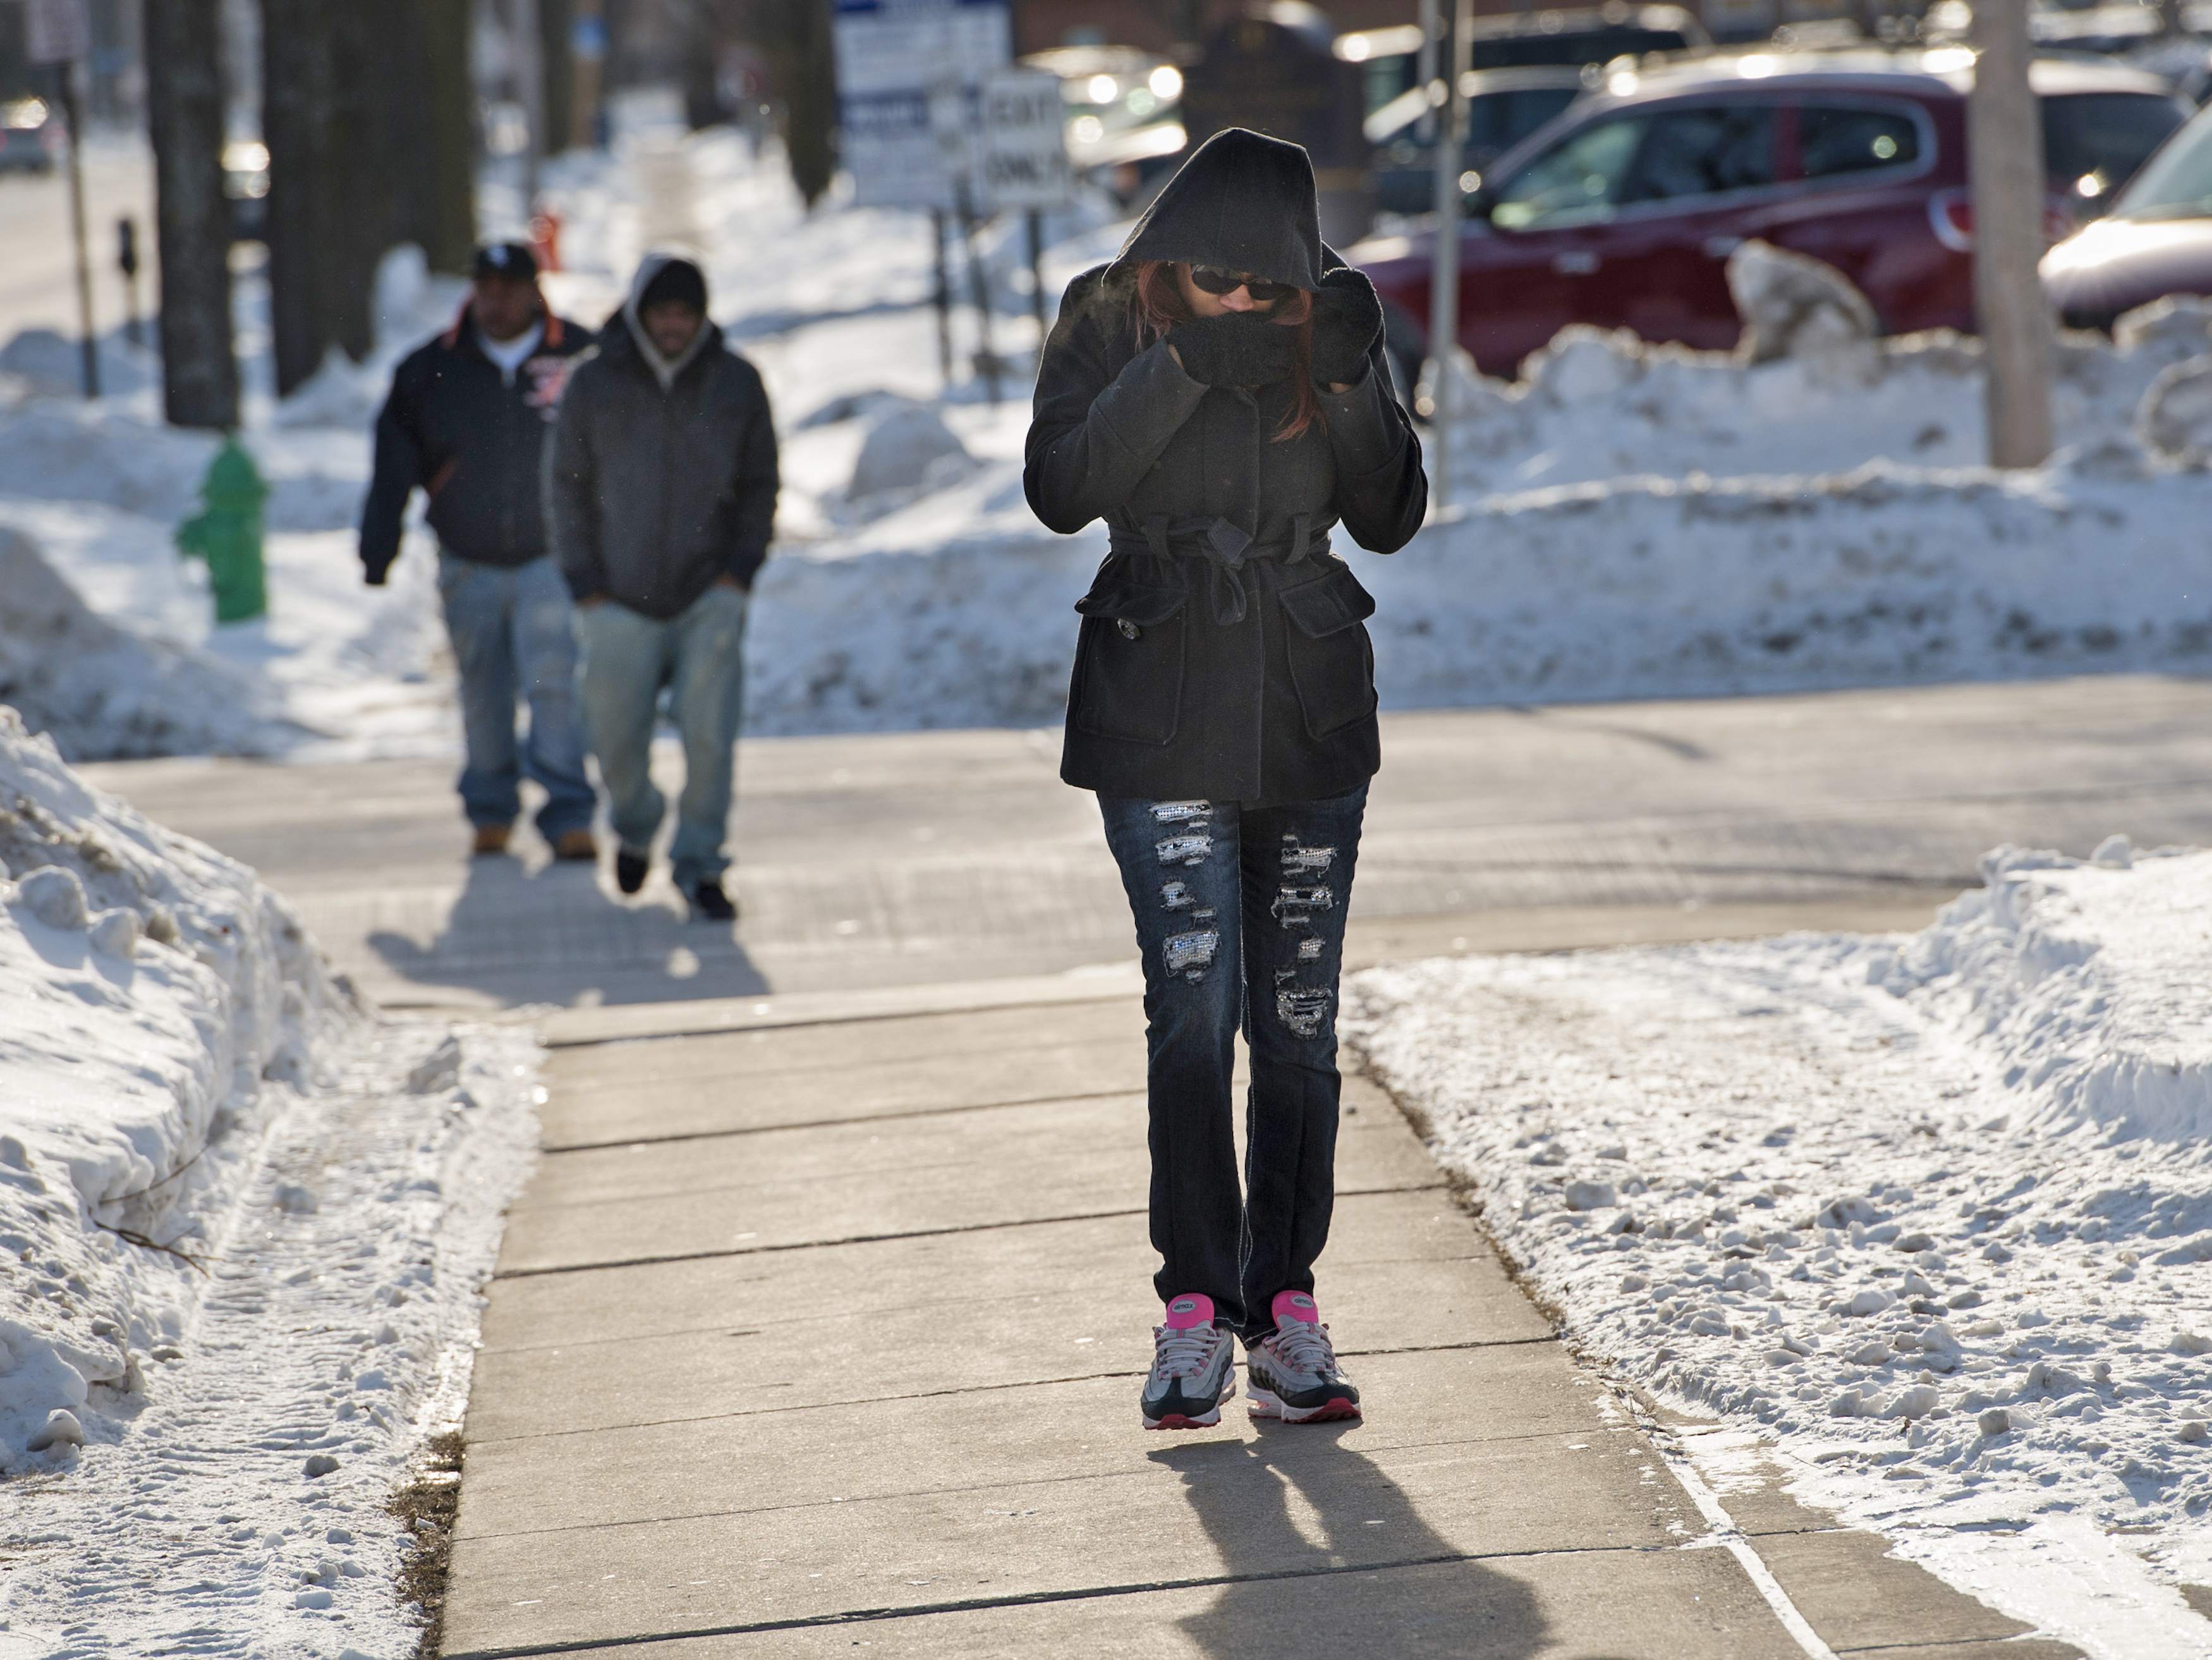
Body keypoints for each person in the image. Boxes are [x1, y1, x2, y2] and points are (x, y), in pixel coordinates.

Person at [1024, 129, 1427, 1430]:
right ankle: (1195, 1309)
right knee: (1192, 1011)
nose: (1245, 305)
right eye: (1219, 286)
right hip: (1159, 701)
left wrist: (1358, 373)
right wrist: (1183, 367)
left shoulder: (1336, 319)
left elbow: (1390, 511)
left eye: (1266, 289)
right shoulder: (1107, 317)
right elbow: (1061, 484)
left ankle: (1288, 1306)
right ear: (1172, 261)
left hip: (1306, 706)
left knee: (1298, 1019)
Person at [544, 253, 779, 922]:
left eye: (685, 313)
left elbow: (760, 481)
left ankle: (701, 863)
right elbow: (565, 483)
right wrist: (583, 579)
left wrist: (740, 571)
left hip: (709, 593)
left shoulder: (736, 381)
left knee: (711, 738)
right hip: (614, 596)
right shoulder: (592, 383)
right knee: (614, 737)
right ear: (641, 314)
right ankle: (637, 822)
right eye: (662, 312)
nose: (673, 325)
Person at [360, 241, 598, 862]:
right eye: (485, 287)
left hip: (553, 556)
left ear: (534, 288)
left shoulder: (580, 356)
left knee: (555, 684)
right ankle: (490, 809)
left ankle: (569, 811)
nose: (496, 300)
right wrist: (377, 547)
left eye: (510, 287)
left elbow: (622, 452)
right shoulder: (430, 367)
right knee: (482, 688)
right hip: (468, 558)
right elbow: (393, 461)